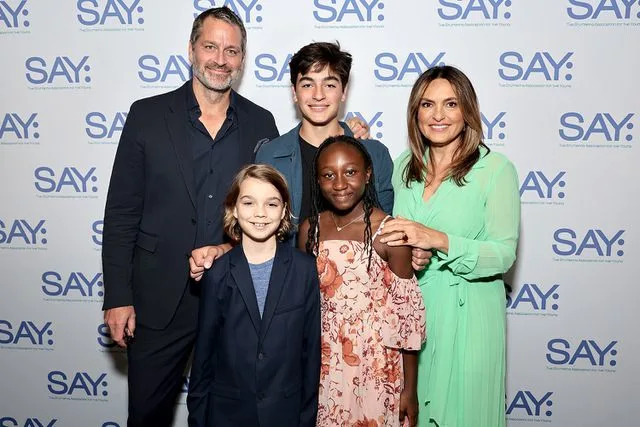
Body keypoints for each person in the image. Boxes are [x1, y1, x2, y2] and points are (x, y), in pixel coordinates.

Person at [101, 7, 281, 426]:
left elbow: (276, 207)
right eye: (211, 47)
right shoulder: (146, 115)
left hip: (235, 298)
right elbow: (121, 213)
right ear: (191, 50)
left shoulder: (261, 124)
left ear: (242, 58)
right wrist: (118, 296)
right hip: (158, 299)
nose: (220, 59)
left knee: (228, 416)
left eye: (231, 50)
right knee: (147, 416)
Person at [379, 66, 520, 427]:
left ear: (467, 112)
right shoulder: (403, 168)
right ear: (416, 114)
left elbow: (504, 253)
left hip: (470, 315)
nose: (438, 115)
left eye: (450, 104)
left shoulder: (496, 170)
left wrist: (438, 240)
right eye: (427, 105)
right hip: (415, 316)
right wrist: (413, 254)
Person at [298, 135, 426, 427]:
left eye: (351, 172)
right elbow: (301, 304)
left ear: (368, 174)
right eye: (328, 175)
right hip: (325, 362)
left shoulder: (391, 232)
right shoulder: (309, 229)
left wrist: (410, 389)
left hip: (377, 365)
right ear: (317, 181)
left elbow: (407, 319)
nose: (340, 183)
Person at [188, 164, 320, 427]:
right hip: (227, 414)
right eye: (249, 203)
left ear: (284, 210)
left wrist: (306, 418)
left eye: (271, 204)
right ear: (234, 209)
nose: (260, 213)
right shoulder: (217, 274)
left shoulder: (304, 269)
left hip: (286, 413)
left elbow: (311, 353)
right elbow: (204, 357)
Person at [256, 42, 394, 241]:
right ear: (295, 92)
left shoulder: (374, 154)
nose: (318, 95)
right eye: (307, 85)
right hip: (288, 271)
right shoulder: (270, 155)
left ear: (344, 92)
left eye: (329, 85)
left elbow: (385, 231)